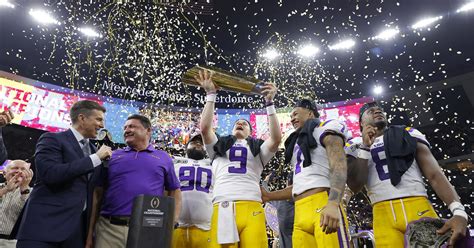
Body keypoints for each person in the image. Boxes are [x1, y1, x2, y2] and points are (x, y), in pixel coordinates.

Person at [345, 102, 468, 247]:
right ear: (361, 122)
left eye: (380, 110)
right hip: (382, 214)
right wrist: (365, 148)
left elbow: (434, 174)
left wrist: (459, 211)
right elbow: (355, 185)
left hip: (417, 205)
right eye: (371, 111)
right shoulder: (354, 144)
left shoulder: (407, 133)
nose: (377, 111)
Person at [197, 69, 282, 248]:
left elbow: (275, 139)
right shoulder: (218, 147)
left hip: (252, 205)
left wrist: (269, 103)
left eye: (245, 124)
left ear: (251, 133)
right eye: (237, 123)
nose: (241, 123)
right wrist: (211, 95)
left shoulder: (257, 149)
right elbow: (205, 128)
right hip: (223, 205)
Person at [16, 100, 112, 248]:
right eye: (98, 119)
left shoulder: (94, 150)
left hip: (75, 233)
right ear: (82, 118)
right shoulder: (51, 139)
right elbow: (50, 174)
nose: (102, 125)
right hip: (44, 228)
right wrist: (96, 158)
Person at [261, 99, 351, 248]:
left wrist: (333, 203)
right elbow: (300, 187)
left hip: (322, 203)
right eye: (290, 116)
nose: (292, 118)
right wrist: (269, 196)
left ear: (310, 113)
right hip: (300, 212)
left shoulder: (325, 127)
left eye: (295, 113)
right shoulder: (297, 143)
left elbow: (339, 165)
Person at [87, 114, 182, 248]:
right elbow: (97, 194)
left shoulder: (163, 158)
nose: (127, 130)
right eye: (125, 127)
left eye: (132, 126)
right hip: (110, 229)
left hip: (148, 228)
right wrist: (90, 232)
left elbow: (174, 190)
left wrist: (173, 221)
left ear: (148, 130)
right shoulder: (112, 156)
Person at [172, 133, 213, 248]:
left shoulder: (214, 164)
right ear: (186, 148)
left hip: (205, 227)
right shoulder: (174, 162)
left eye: (201, 143)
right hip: (177, 226)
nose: (198, 143)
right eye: (194, 142)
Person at [0, 160, 33, 248]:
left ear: (29, 174)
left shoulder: (34, 193)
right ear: (4, 173)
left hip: (14, 242)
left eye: (23, 169)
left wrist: (24, 189)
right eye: (15, 168)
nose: (19, 171)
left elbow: (29, 214)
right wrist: (6, 189)